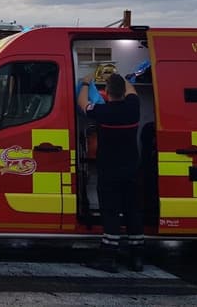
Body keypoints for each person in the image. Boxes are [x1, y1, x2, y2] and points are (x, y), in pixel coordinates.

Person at [77, 73, 143, 273]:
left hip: (109, 170)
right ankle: (136, 258)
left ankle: (108, 257)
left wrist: (87, 81)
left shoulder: (103, 111)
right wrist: (121, 77)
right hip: (132, 168)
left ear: (107, 92)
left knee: (111, 212)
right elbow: (133, 92)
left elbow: (82, 102)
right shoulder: (134, 108)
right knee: (133, 211)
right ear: (123, 91)